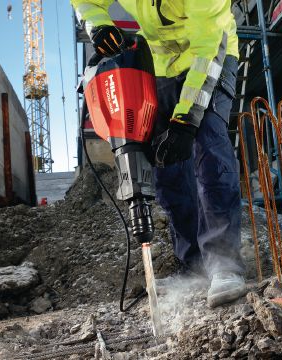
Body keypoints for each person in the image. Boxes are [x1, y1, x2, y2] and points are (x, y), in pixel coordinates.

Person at [71, 0, 246, 307]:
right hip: (161, 63)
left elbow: (209, 46)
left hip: (212, 53)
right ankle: (193, 265)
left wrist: (185, 120)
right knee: (166, 166)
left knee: (209, 152)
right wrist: (97, 24)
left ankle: (224, 265)